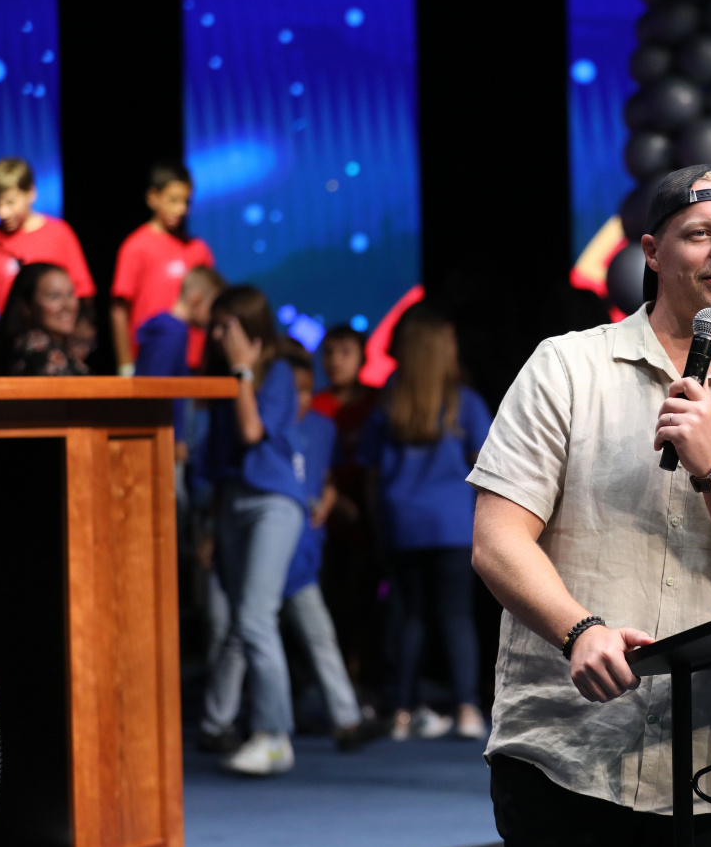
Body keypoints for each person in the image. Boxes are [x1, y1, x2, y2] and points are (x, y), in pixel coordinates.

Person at [468, 164, 711, 847]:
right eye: (700, 233)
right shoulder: (566, 367)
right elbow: (497, 539)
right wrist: (579, 629)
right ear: (652, 252)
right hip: (565, 751)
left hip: (706, 763)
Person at [359, 304, 492, 741]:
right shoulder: (464, 401)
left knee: (408, 614)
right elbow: (489, 463)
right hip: (452, 523)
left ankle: (399, 711)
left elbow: (371, 472)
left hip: (401, 522)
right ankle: (467, 709)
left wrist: (379, 525)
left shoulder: (388, 401)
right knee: (455, 616)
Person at [200, 285, 305, 775]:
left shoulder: (276, 372)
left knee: (256, 618)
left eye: (226, 327)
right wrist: (209, 524)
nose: (217, 336)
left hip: (273, 505)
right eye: (214, 327)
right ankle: (230, 724)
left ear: (251, 328)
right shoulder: (218, 377)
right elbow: (218, 457)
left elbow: (250, 431)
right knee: (241, 622)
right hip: (232, 503)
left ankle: (274, 736)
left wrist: (243, 371)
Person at [311, 324, 382, 686]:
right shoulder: (314, 406)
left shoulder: (377, 404)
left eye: (345, 352)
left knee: (368, 604)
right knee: (332, 603)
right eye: (328, 353)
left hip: (372, 520)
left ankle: (367, 678)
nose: (335, 361)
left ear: (362, 358)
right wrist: (335, 501)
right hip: (325, 522)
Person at [111, 161, 215, 375]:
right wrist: (125, 364)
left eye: (186, 201)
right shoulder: (136, 246)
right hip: (150, 362)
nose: (181, 209)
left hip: (192, 363)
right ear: (153, 198)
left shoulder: (199, 249)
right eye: (173, 200)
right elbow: (119, 310)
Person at [134, 265, 226, 456]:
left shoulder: (171, 329)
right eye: (212, 307)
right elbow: (157, 388)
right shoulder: (173, 332)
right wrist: (175, 438)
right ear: (197, 299)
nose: (213, 317)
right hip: (160, 438)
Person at [0, 157, 96, 312]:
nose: (2, 212)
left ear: (30, 193)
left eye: (10, 202)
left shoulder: (59, 233)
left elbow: (83, 293)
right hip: (4, 326)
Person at [0, 262, 89, 376]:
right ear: (26, 306)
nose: (68, 305)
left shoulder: (21, 345)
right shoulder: (37, 352)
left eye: (70, 294)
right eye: (54, 296)